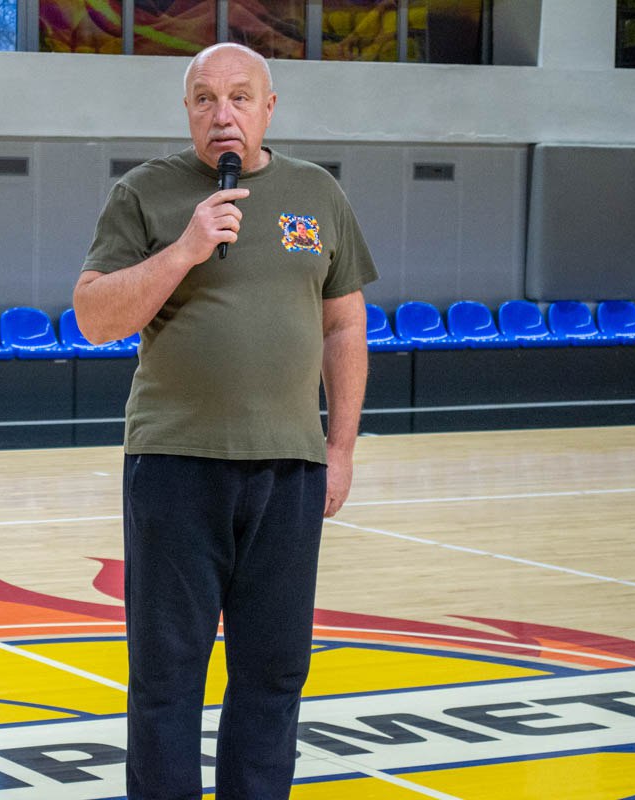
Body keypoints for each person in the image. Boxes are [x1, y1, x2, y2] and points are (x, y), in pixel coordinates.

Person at [72, 43, 377, 799]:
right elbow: (93, 318)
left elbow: (345, 326)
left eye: (240, 96)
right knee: (166, 675)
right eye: (205, 98)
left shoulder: (318, 193)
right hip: (175, 465)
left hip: (290, 467)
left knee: (274, 671)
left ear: (269, 108)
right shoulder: (143, 193)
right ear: (187, 110)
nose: (223, 113)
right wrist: (185, 248)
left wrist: (339, 448)